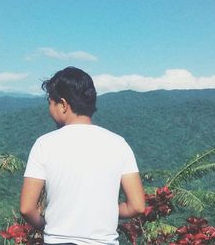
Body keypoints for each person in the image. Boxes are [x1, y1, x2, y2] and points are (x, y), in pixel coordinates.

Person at [20, 67, 145, 245]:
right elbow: (137, 206)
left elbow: (27, 208)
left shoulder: (44, 144)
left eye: (50, 102)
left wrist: (47, 224)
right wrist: (103, 213)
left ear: (63, 104)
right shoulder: (119, 144)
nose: (49, 109)